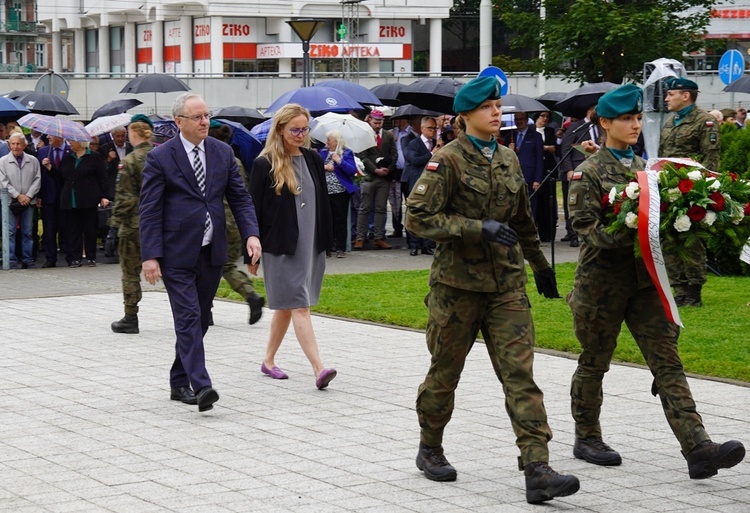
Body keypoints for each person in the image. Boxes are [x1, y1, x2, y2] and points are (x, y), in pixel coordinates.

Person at [405, 76, 579, 505]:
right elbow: (417, 217)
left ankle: (537, 466)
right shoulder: (446, 160)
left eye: (498, 105)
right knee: (445, 376)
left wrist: (540, 266)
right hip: (456, 288)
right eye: (487, 107)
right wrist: (473, 228)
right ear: (465, 116)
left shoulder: (508, 158)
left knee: (521, 376)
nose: (496, 113)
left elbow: (521, 221)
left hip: (506, 287)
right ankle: (430, 447)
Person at [566, 83, 745, 479]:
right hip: (601, 286)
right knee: (595, 362)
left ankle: (698, 447)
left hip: (646, 284)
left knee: (668, 362)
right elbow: (586, 230)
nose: (634, 125)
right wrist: (633, 229)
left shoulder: (647, 170)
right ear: (605, 123)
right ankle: (587, 435)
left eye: (636, 118)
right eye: (625, 119)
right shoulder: (589, 172)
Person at [139, 92, 261, 412]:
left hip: (211, 251)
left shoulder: (222, 153)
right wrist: (150, 255)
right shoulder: (161, 157)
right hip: (175, 253)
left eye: (207, 115)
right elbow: (149, 210)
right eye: (197, 117)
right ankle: (201, 385)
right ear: (179, 122)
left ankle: (179, 381)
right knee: (189, 317)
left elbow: (240, 198)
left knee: (202, 319)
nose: (205, 121)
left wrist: (251, 234)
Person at [248, 103, 337, 390]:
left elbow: (322, 202)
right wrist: (251, 252)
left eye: (304, 129)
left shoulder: (312, 158)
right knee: (300, 305)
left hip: (310, 243)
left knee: (286, 308)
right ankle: (319, 368)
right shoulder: (265, 164)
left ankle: (269, 361)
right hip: (281, 246)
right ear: (281, 130)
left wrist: (327, 241)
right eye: (295, 130)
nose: (301, 134)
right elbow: (253, 209)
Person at [658, 77, 720, 307]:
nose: (666, 98)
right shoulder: (670, 122)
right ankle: (679, 289)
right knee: (669, 239)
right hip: (669, 189)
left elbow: (711, 160)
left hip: (693, 190)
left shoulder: (705, 122)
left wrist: (704, 191)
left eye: (670, 94)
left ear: (686, 95)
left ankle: (694, 290)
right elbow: (663, 155)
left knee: (691, 240)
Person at [207, 122, 265, 325]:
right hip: (235, 222)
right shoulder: (236, 161)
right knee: (222, 265)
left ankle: (249, 295)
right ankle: (209, 310)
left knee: (214, 266)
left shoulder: (209, 159)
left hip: (215, 222)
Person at [109, 115, 154, 334]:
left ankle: (130, 317)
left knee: (130, 272)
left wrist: (114, 224)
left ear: (133, 134)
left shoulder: (129, 161)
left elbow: (125, 198)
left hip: (134, 225)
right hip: (159, 224)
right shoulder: (161, 157)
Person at [58, 134, 109, 267]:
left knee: (90, 228)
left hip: (88, 198)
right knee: (73, 229)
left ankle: (91, 256)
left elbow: (102, 177)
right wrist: (49, 168)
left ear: (81, 142)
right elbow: (60, 176)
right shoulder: (68, 158)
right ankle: (76, 257)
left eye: (72, 140)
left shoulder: (94, 157)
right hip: (71, 199)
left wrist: (104, 196)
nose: (70, 143)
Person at [353, 109, 396, 250]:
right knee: (364, 208)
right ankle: (360, 237)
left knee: (381, 208)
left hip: (384, 178)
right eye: (375, 122)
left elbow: (394, 154)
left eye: (380, 122)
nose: (377, 125)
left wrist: (388, 168)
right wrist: (375, 169)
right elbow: (362, 155)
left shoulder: (388, 136)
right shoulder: (364, 135)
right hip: (369, 177)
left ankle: (378, 237)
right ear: (369, 120)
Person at [560, 105, 600, 248]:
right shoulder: (576, 126)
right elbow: (565, 148)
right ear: (589, 111)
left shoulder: (601, 127)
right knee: (572, 203)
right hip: (577, 169)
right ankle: (572, 235)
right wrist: (568, 170)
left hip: (595, 171)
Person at [0, 132, 41, 269]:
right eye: (13, 144)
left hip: (28, 201)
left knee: (27, 231)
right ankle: (11, 259)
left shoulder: (33, 160)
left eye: (18, 144)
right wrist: (18, 195)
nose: (16, 146)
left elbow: (37, 179)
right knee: (10, 231)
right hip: (10, 201)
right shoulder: (2, 161)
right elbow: (3, 182)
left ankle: (27, 259)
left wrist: (28, 196)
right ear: (9, 144)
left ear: (24, 145)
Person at [318, 129, 359, 258]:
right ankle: (328, 247)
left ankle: (341, 248)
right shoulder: (322, 153)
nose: (327, 142)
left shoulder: (346, 153)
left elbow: (352, 170)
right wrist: (324, 167)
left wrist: (339, 161)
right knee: (326, 220)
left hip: (340, 191)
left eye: (329, 140)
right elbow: (315, 167)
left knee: (340, 220)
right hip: (325, 192)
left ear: (336, 141)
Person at [403, 116, 439, 256]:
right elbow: (415, 161)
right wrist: (432, 154)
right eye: (430, 128)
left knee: (429, 215)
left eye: (434, 128)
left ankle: (427, 244)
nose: (433, 131)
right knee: (415, 214)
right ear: (422, 128)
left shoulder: (437, 143)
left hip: (433, 183)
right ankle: (414, 244)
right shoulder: (413, 144)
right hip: (417, 182)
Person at [37, 135, 69, 268]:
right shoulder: (43, 151)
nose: (48, 137)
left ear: (60, 137)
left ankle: (70, 256)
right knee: (49, 229)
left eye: (51, 135)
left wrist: (51, 168)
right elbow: (38, 175)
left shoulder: (70, 151)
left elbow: (67, 175)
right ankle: (50, 258)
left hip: (65, 196)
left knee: (67, 228)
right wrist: (38, 196)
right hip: (48, 196)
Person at [505, 111, 544, 218]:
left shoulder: (536, 136)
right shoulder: (509, 137)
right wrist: (510, 151)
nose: (519, 121)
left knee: (530, 207)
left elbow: (539, 159)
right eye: (517, 119)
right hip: (514, 177)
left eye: (521, 119)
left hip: (530, 178)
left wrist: (537, 180)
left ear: (526, 120)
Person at [534, 111, 559, 242]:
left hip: (548, 167)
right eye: (542, 116)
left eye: (547, 117)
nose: (545, 119)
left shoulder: (550, 131)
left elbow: (555, 147)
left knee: (548, 200)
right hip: (535, 169)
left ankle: (549, 234)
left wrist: (546, 147)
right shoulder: (532, 131)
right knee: (537, 202)